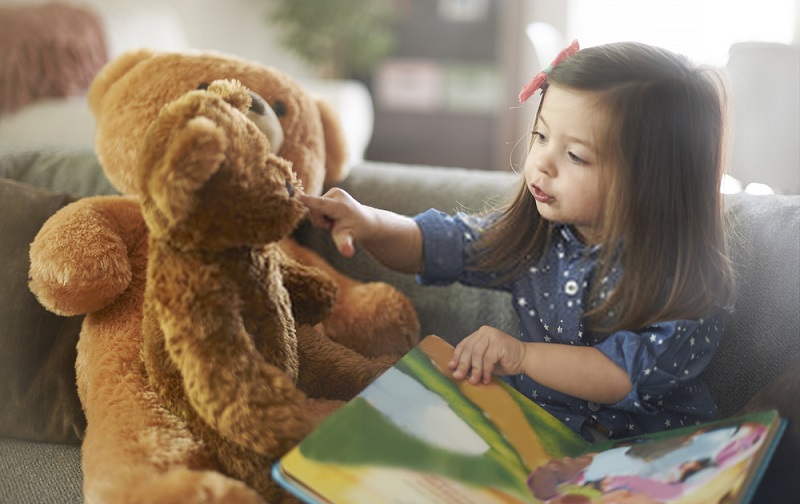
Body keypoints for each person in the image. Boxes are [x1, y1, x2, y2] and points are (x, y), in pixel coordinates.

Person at [300, 41, 735, 441]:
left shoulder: (685, 280)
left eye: (576, 156)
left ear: (653, 183)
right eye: (542, 136)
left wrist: (522, 356)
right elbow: (437, 245)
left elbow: (625, 374)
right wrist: (371, 222)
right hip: (535, 442)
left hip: (643, 462)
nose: (540, 164)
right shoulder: (538, 240)